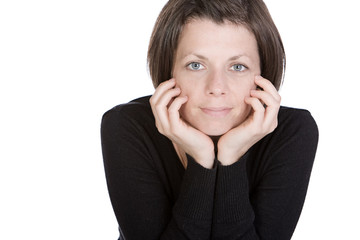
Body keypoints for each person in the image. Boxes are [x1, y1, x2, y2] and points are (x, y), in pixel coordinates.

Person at [101, 0, 319, 239]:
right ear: (168, 72)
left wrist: (230, 159)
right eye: (196, 65)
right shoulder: (126, 127)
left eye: (237, 67)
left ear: (263, 76)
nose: (216, 87)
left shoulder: (293, 132)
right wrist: (201, 161)